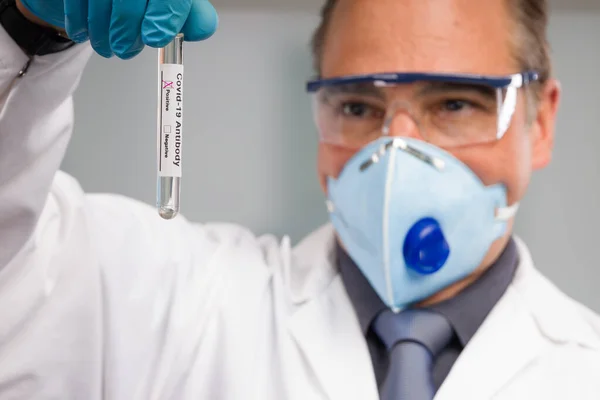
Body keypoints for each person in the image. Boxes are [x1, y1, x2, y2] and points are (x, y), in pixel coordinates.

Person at [0, 0, 599, 398]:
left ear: (540, 122)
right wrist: (23, 28)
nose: (396, 153)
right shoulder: (174, 301)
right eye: (358, 106)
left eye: (454, 104)